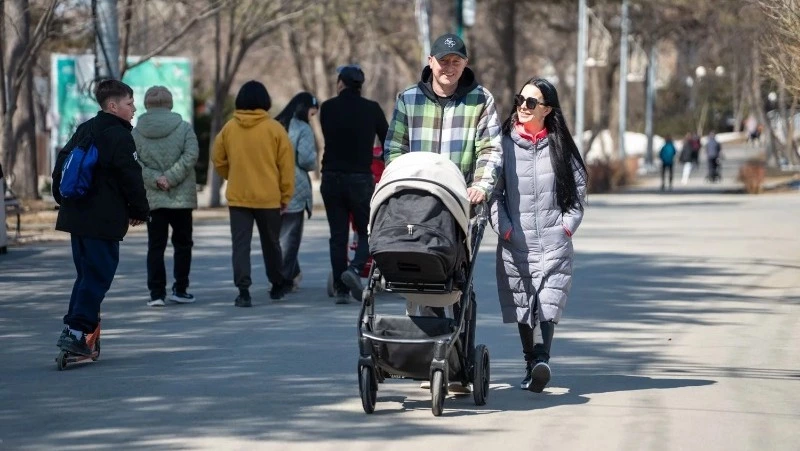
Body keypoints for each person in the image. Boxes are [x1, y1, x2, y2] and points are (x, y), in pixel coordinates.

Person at [384, 32, 503, 316]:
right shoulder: (409, 99)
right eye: (443, 61)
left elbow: (491, 149)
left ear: (465, 64)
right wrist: (401, 184)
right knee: (419, 271)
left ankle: (458, 341)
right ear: (430, 62)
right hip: (416, 202)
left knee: (457, 276)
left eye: (456, 61)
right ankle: (422, 335)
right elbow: (393, 148)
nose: (449, 67)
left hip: (460, 204)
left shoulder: (480, 100)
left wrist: (481, 186)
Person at [490, 77, 587, 393]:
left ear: (547, 109)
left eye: (531, 102)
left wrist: (566, 227)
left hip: (553, 241)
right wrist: (504, 229)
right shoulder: (502, 144)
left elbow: (579, 189)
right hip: (515, 241)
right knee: (524, 305)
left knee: (547, 302)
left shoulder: (560, 146)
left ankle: (542, 359)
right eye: (520, 99)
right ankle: (531, 364)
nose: (522, 106)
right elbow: (494, 193)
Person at [52, 79, 150, 356]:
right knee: (97, 277)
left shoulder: (85, 129)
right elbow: (131, 176)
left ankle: (86, 332)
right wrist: (140, 210)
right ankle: (76, 332)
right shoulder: (119, 135)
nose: (134, 109)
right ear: (113, 105)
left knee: (86, 276)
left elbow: (61, 163)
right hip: (101, 219)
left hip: (76, 216)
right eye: (129, 104)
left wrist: (62, 199)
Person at [212, 80, 294, 307]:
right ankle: (277, 285)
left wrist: (233, 174)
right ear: (265, 101)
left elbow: (218, 159)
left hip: (239, 196)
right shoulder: (275, 129)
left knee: (240, 245)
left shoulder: (229, 128)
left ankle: (243, 291)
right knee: (272, 243)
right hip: (269, 198)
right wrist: (285, 196)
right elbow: (286, 166)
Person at [319, 65, 388, 304]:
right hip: (360, 178)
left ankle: (340, 288)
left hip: (331, 177)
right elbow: (387, 139)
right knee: (366, 231)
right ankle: (356, 268)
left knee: (338, 235)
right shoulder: (372, 109)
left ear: (341, 83)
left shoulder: (327, 108)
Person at [133, 86, 199, 307]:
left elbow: (134, 162)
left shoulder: (137, 132)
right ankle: (180, 289)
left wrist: (156, 179)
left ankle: (156, 294)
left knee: (156, 246)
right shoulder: (184, 128)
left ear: (146, 104)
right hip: (181, 198)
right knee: (182, 244)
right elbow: (191, 155)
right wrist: (171, 177)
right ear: (170, 104)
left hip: (154, 198)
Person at [274, 92, 319, 292]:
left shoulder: (273, 125)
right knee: (290, 239)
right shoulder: (302, 128)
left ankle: (292, 273)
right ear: (304, 109)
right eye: (312, 113)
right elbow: (307, 160)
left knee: (276, 237)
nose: (312, 118)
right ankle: (282, 280)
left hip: (270, 186)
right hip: (294, 186)